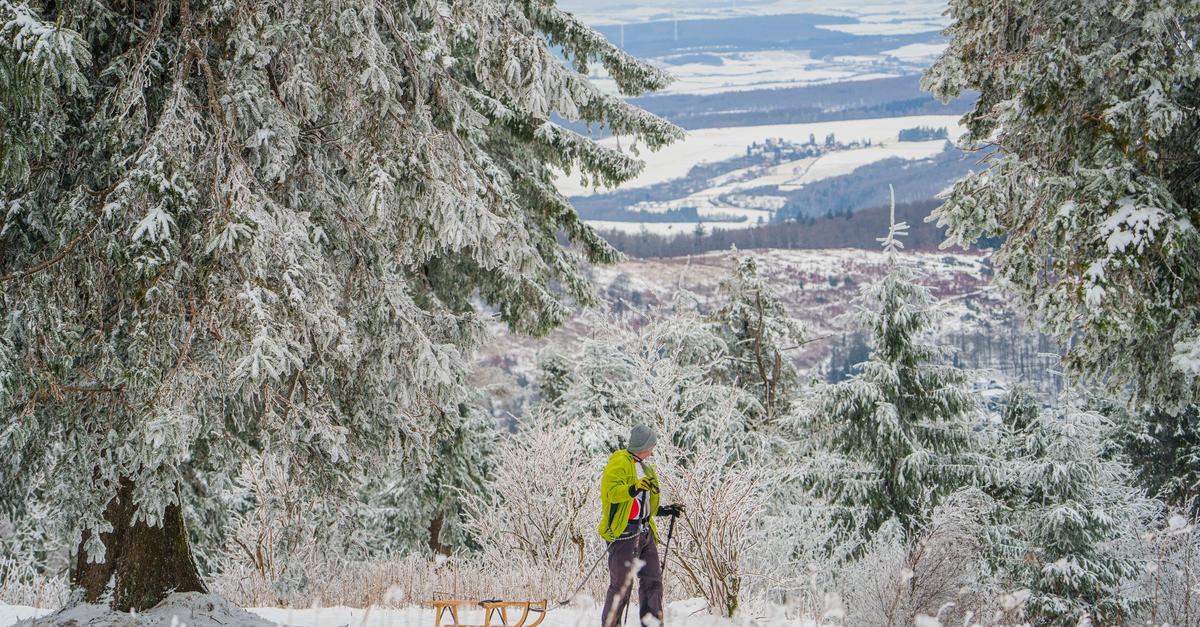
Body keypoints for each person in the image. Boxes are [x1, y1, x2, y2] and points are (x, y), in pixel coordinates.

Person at [598, 424, 684, 627]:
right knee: (621, 587)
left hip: (645, 531)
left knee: (653, 581)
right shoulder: (619, 462)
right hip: (624, 533)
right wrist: (633, 488)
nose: (653, 448)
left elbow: (645, 503)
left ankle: (652, 623)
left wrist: (664, 510)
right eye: (652, 444)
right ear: (644, 444)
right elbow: (612, 493)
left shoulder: (646, 467)